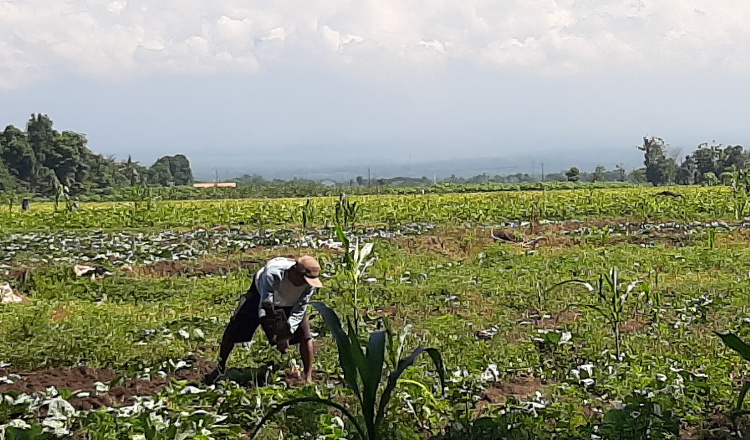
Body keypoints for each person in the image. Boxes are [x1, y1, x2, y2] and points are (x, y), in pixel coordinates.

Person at [203, 255, 323, 385]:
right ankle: (221, 367)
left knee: (305, 336)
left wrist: (287, 333)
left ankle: (308, 376)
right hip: (260, 297)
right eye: (303, 280)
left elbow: (300, 309)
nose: (304, 284)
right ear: (294, 272)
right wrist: (276, 334)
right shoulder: (273, 273)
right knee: (234, 330)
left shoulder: (309, 285)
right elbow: (265, 307)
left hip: (290, 302)